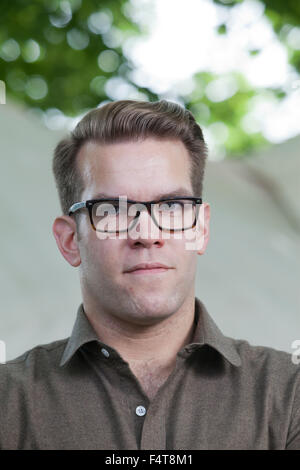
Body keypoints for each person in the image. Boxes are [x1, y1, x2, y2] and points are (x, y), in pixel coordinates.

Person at [0, 99, 299, 450]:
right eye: (112, 210)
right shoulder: (8, 402)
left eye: (172, 207)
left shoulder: (289, 395)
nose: (147, 234)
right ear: (70, 241)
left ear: (201, 229)